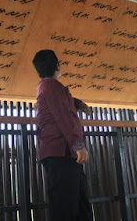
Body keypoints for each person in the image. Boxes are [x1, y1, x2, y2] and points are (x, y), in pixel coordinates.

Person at [32, 49, 93, 221]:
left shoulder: (46, 87)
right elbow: (63, 117)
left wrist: (79, 103)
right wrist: (79, 147)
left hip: (61, 154)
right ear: (57, 65)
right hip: (61, 153)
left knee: (78, 204)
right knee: (66, 208)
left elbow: (63, 103)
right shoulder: (51, 86)